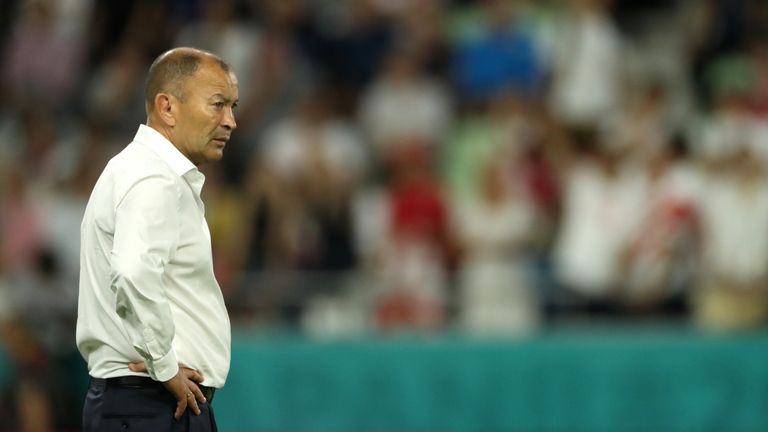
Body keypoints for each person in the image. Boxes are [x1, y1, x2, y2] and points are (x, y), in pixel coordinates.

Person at [77, 47, 238, 431]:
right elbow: (133, 272)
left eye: (233, 106)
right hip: (151, 403)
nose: (230, 121)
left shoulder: (138, 170)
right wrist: (164, 365)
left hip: (148, 402)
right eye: (218, 104)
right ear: (167, 108)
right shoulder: (154, 177)